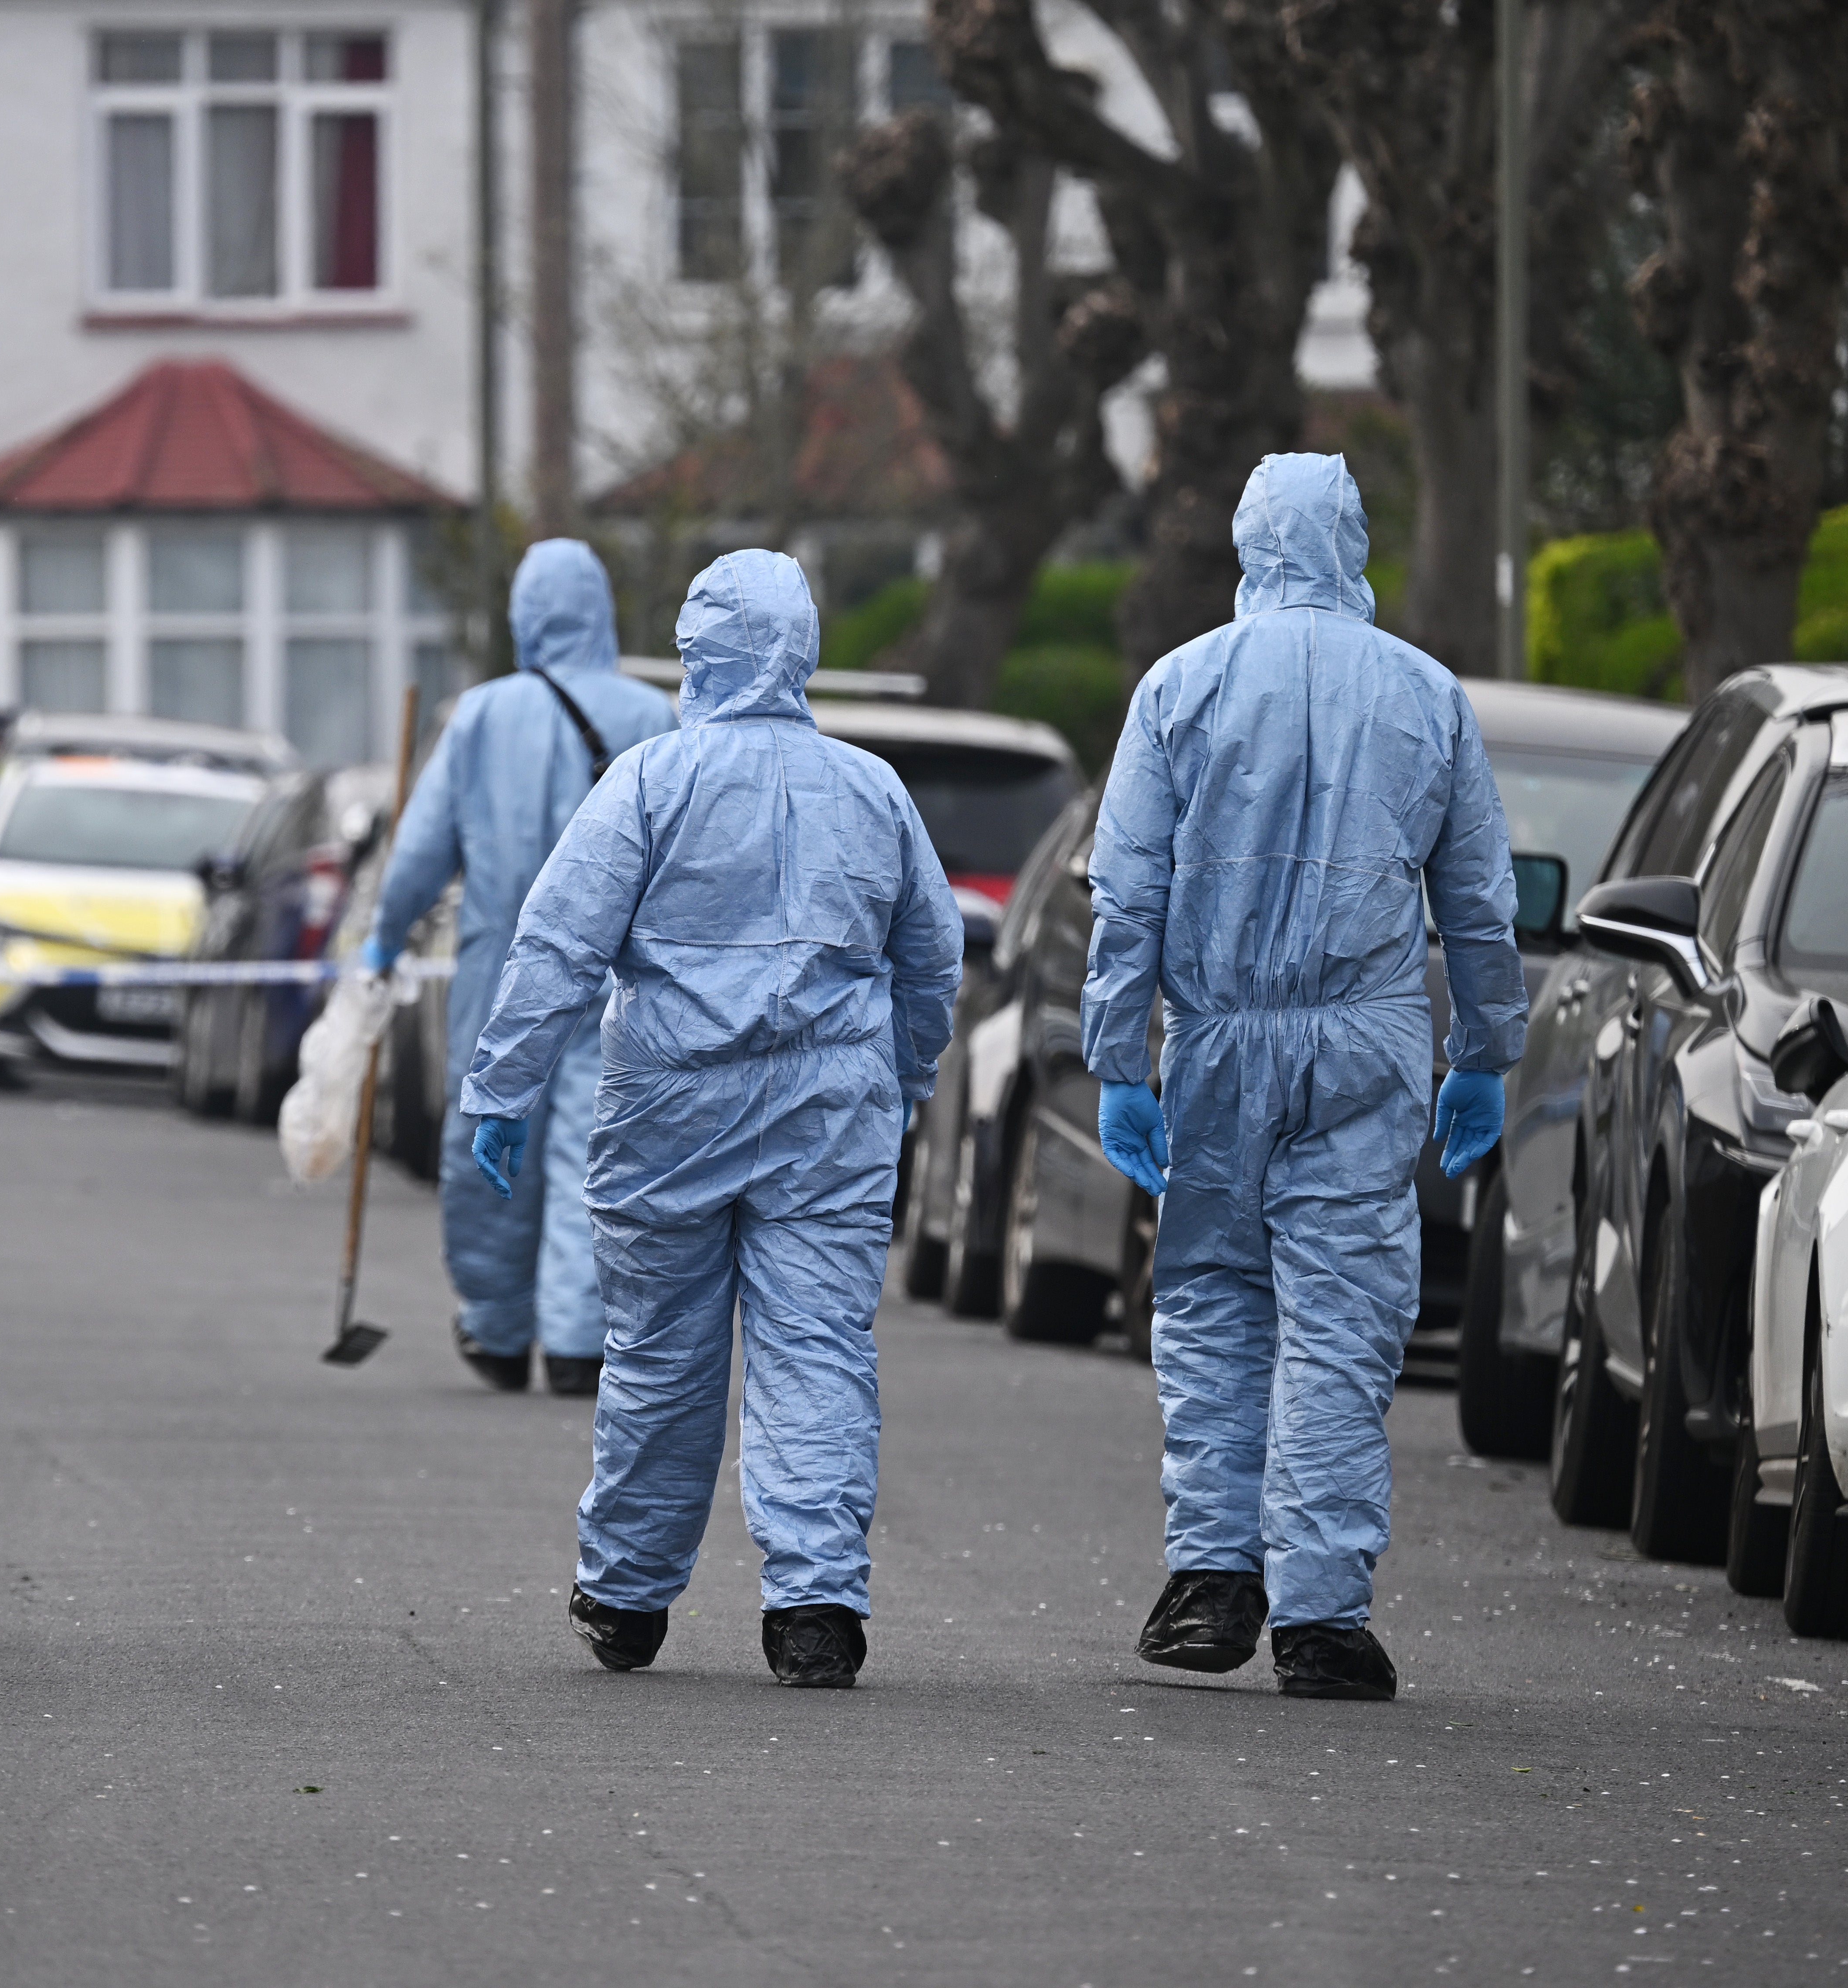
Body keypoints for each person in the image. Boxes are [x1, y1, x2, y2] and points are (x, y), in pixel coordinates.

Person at [460, 549, 961, 1687]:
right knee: (816, 1347)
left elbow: (558, 942)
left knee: (658, 1351)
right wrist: (906, 1072)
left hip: (668, 1108)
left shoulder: (649, 781)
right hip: (830, 1113)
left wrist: (503, 1085)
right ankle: (814, 1603)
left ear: (696, 652)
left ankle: (626, 1592)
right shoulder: (869, 789)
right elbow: (930, 957)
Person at [1083, 453, 1522, 1704]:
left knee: (1214, 1298)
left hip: (1216, 1039)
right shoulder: (1424, 694)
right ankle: (1321, 1616)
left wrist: (1118, 1059)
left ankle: (1209, 1576)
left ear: (1244, 542)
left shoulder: (1180, 686)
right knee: (1342, 1315)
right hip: (1364, 1045)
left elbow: (1126, 892)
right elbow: (1477, 902)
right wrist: (1483, 1051)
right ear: (1355, 540)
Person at [358, 538, 674, 1396]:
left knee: (489, 1143)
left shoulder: (481, 716)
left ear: (521, 617)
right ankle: (579, 1338)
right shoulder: (651, 717)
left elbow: (420, 850)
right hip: (618, 976)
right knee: (595, 1148)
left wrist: (385, 937)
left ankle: (496, 1326)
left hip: (500, 972)